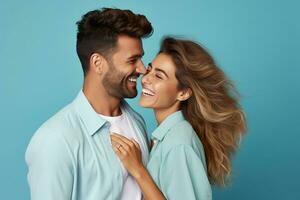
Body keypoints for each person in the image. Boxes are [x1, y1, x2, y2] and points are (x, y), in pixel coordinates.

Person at [25, 8, 153, 200]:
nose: (143, 69)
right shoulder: (54, 140)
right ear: (98, 63)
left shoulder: (137, 121)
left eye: (141, 58)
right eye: (132, 60)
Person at [111, 37, 247, 200]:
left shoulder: (178, 145)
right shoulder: (167, 137)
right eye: (149, 70)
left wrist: (138, 171)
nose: (146, 79)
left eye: (159, 76)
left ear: (183, 93)